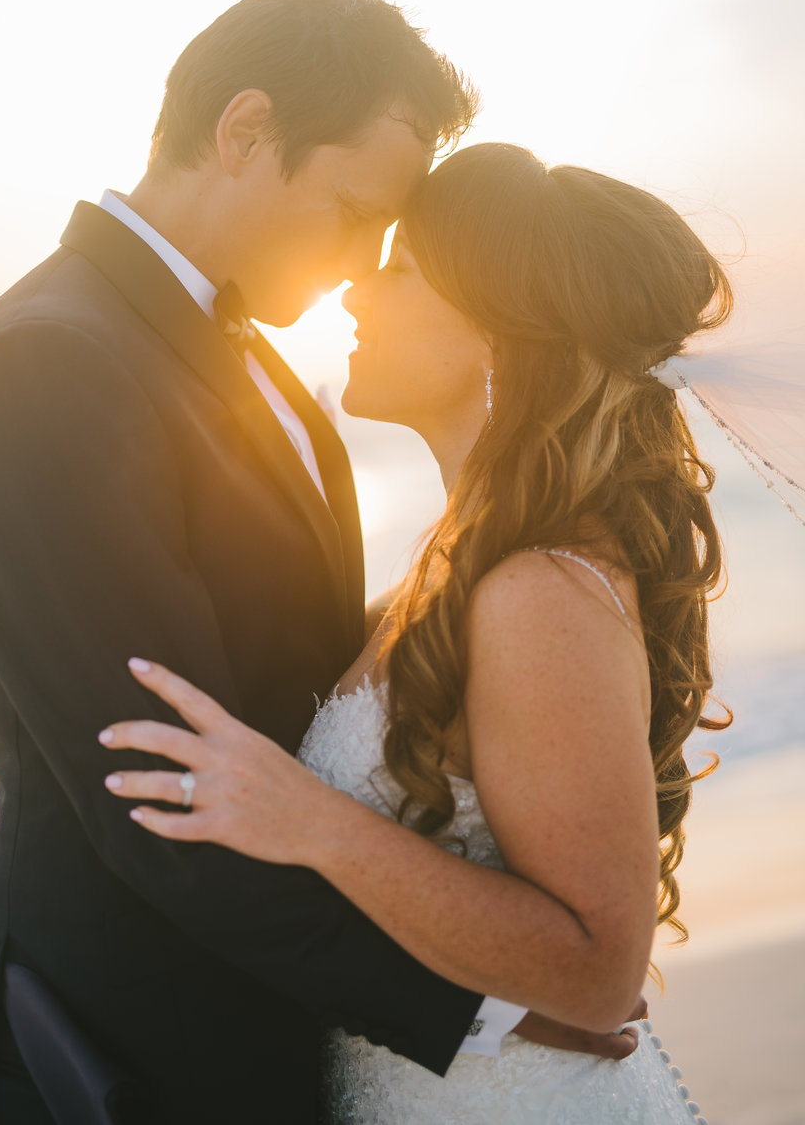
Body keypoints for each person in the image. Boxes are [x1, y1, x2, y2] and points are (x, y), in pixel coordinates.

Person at [0, 0, 629, 1125]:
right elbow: (158, 787)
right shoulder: (46, 364)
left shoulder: (253, 364)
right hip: (126, 1054)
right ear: (244, 130)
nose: (361, 263)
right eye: (353, 209)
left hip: (276, 1039)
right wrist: (472, 1009)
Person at [98, 141, 732, 1123]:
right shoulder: (457, 562)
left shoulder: (538, 590)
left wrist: (308, 819)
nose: (355, 289)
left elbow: (599, 972)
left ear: (495, 329)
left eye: (396, 268)